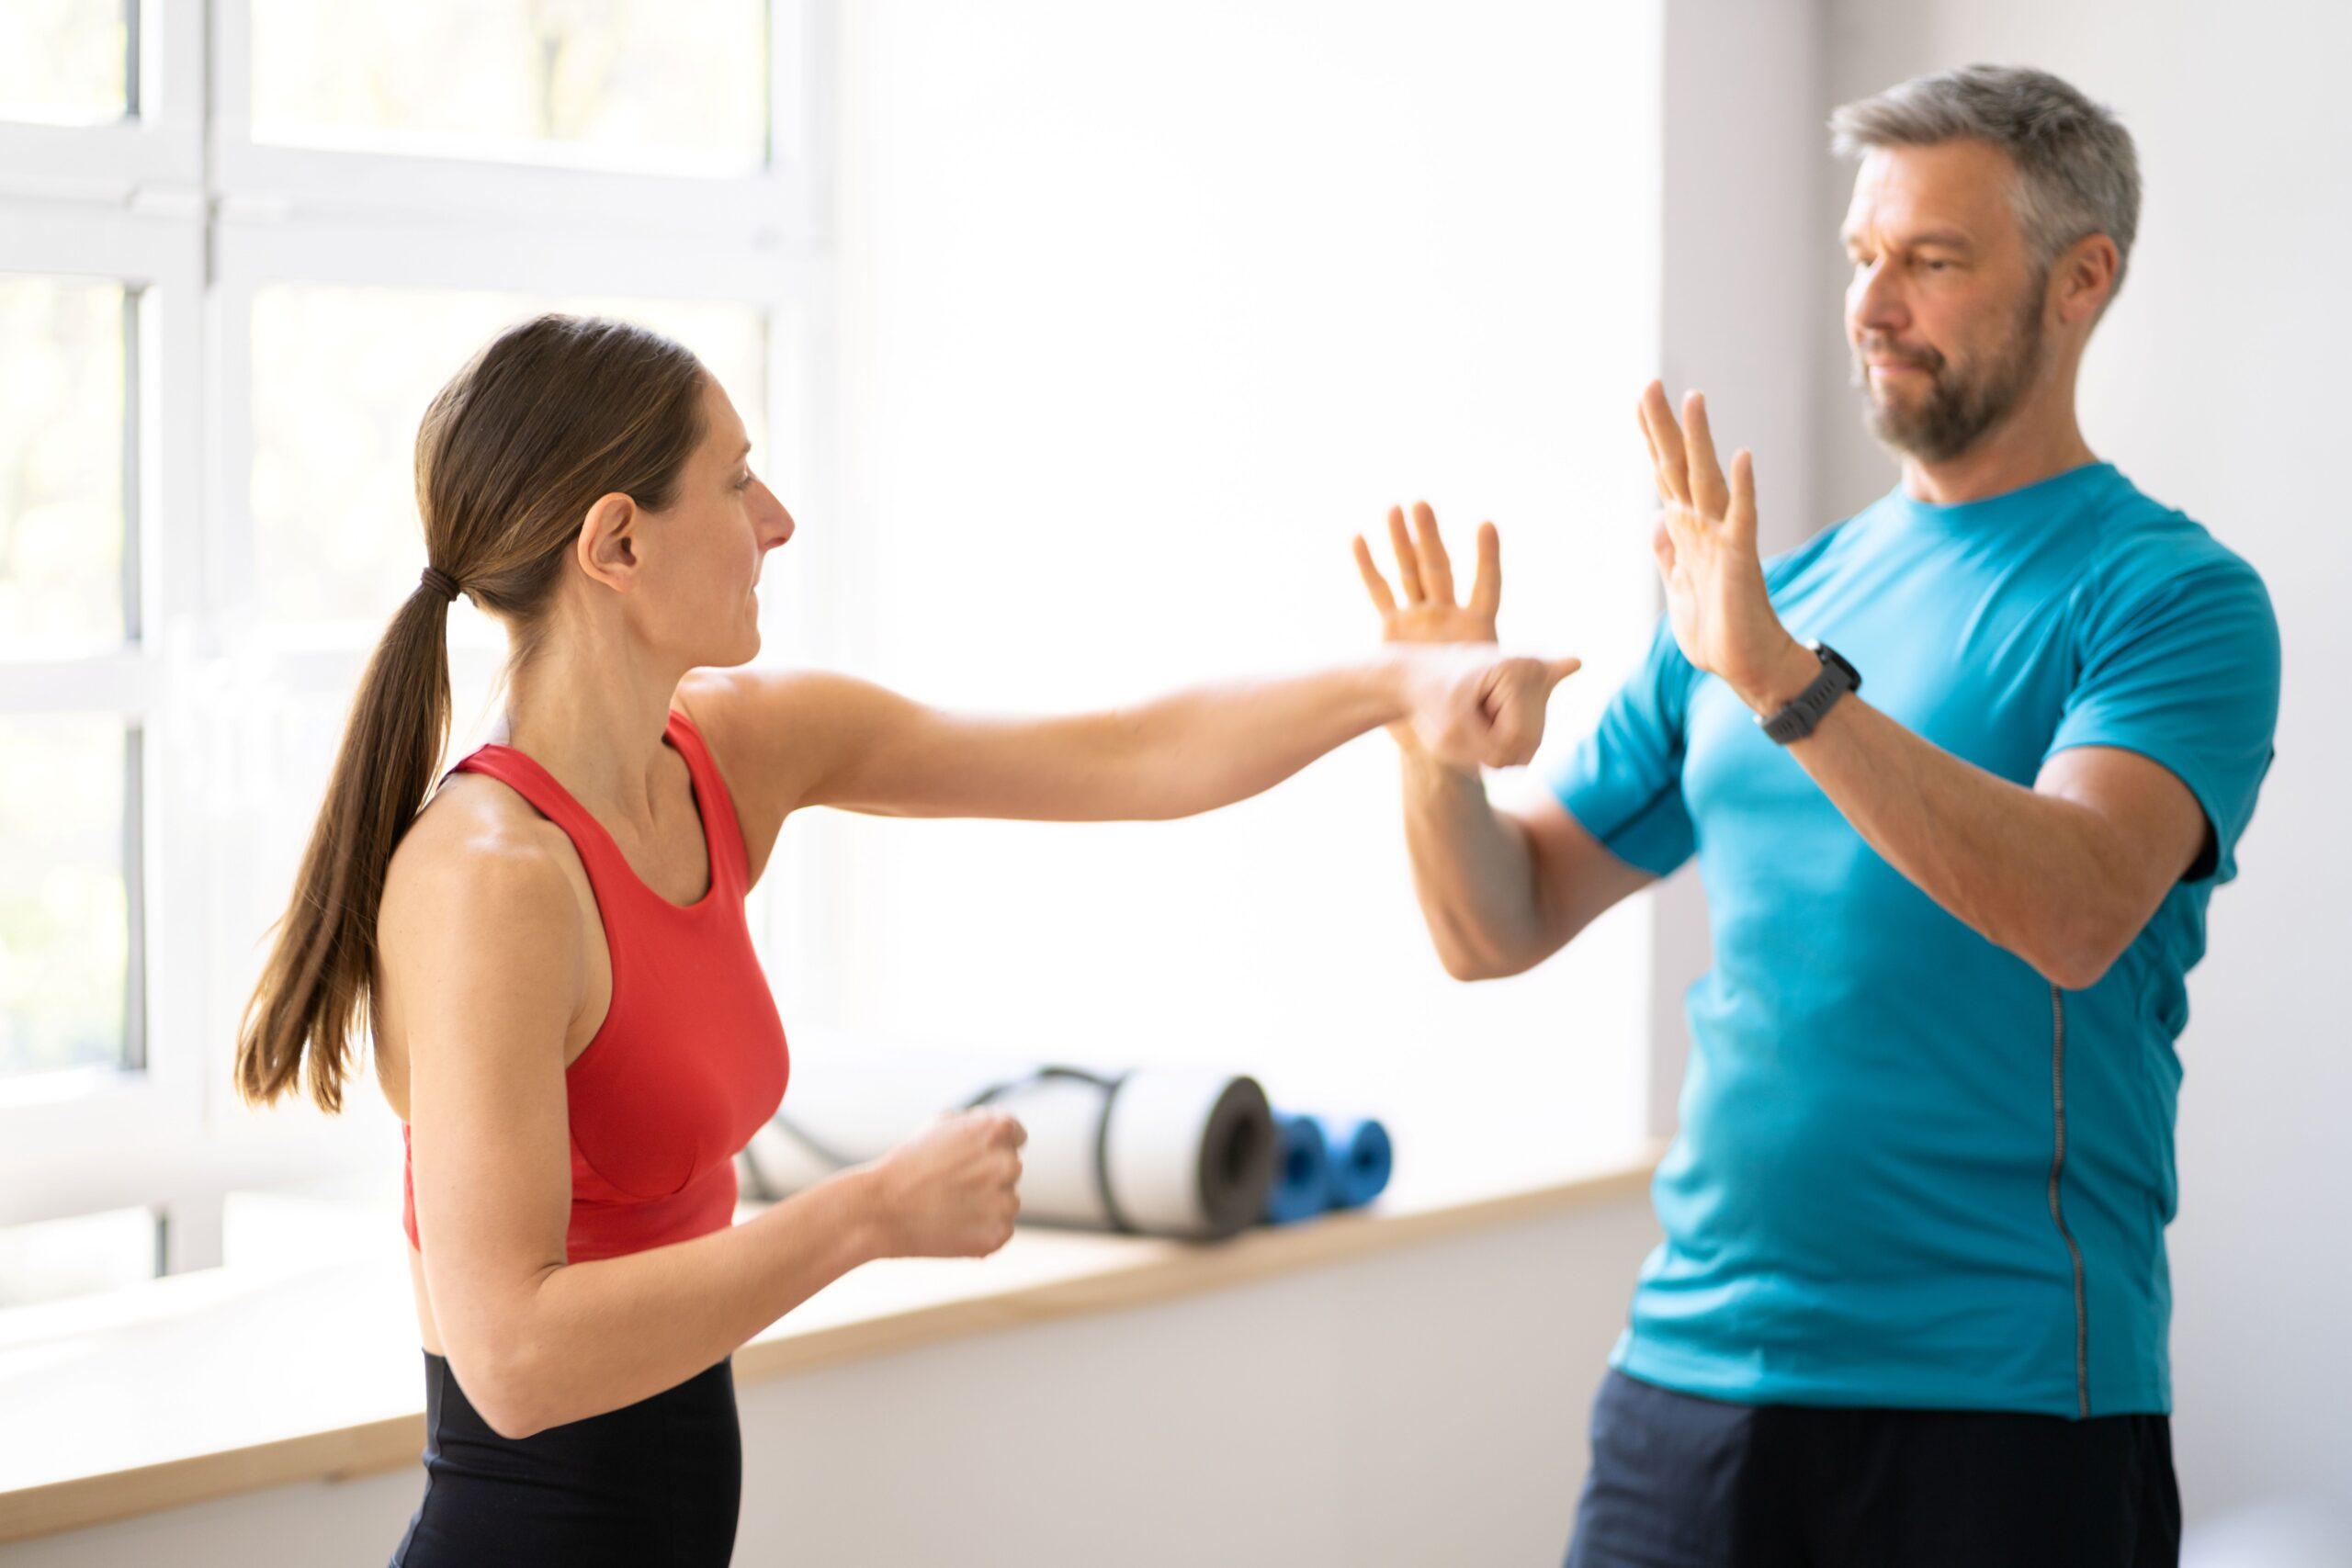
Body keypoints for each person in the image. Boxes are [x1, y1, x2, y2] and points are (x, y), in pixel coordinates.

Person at [228, 312, 1580, 1567]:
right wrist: (868, 1212)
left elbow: (1125, 756)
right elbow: (513, 1360)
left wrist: (1396, 688)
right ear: (618, 545)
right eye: (738, 480)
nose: (779, 519)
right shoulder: (492, 879)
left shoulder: (730, 750)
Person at [1355, 65, 2278, 1567]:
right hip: (1694, 1380)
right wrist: (1429, 743)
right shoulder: (1752, 600)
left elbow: (2076, 908)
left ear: (2080, 282)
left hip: (2007, 1400)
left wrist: (1782, 682)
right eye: (1864, 258)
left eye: (1932, 260)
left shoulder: (2169, 598)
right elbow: (1496, 922)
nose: (1874, 304)